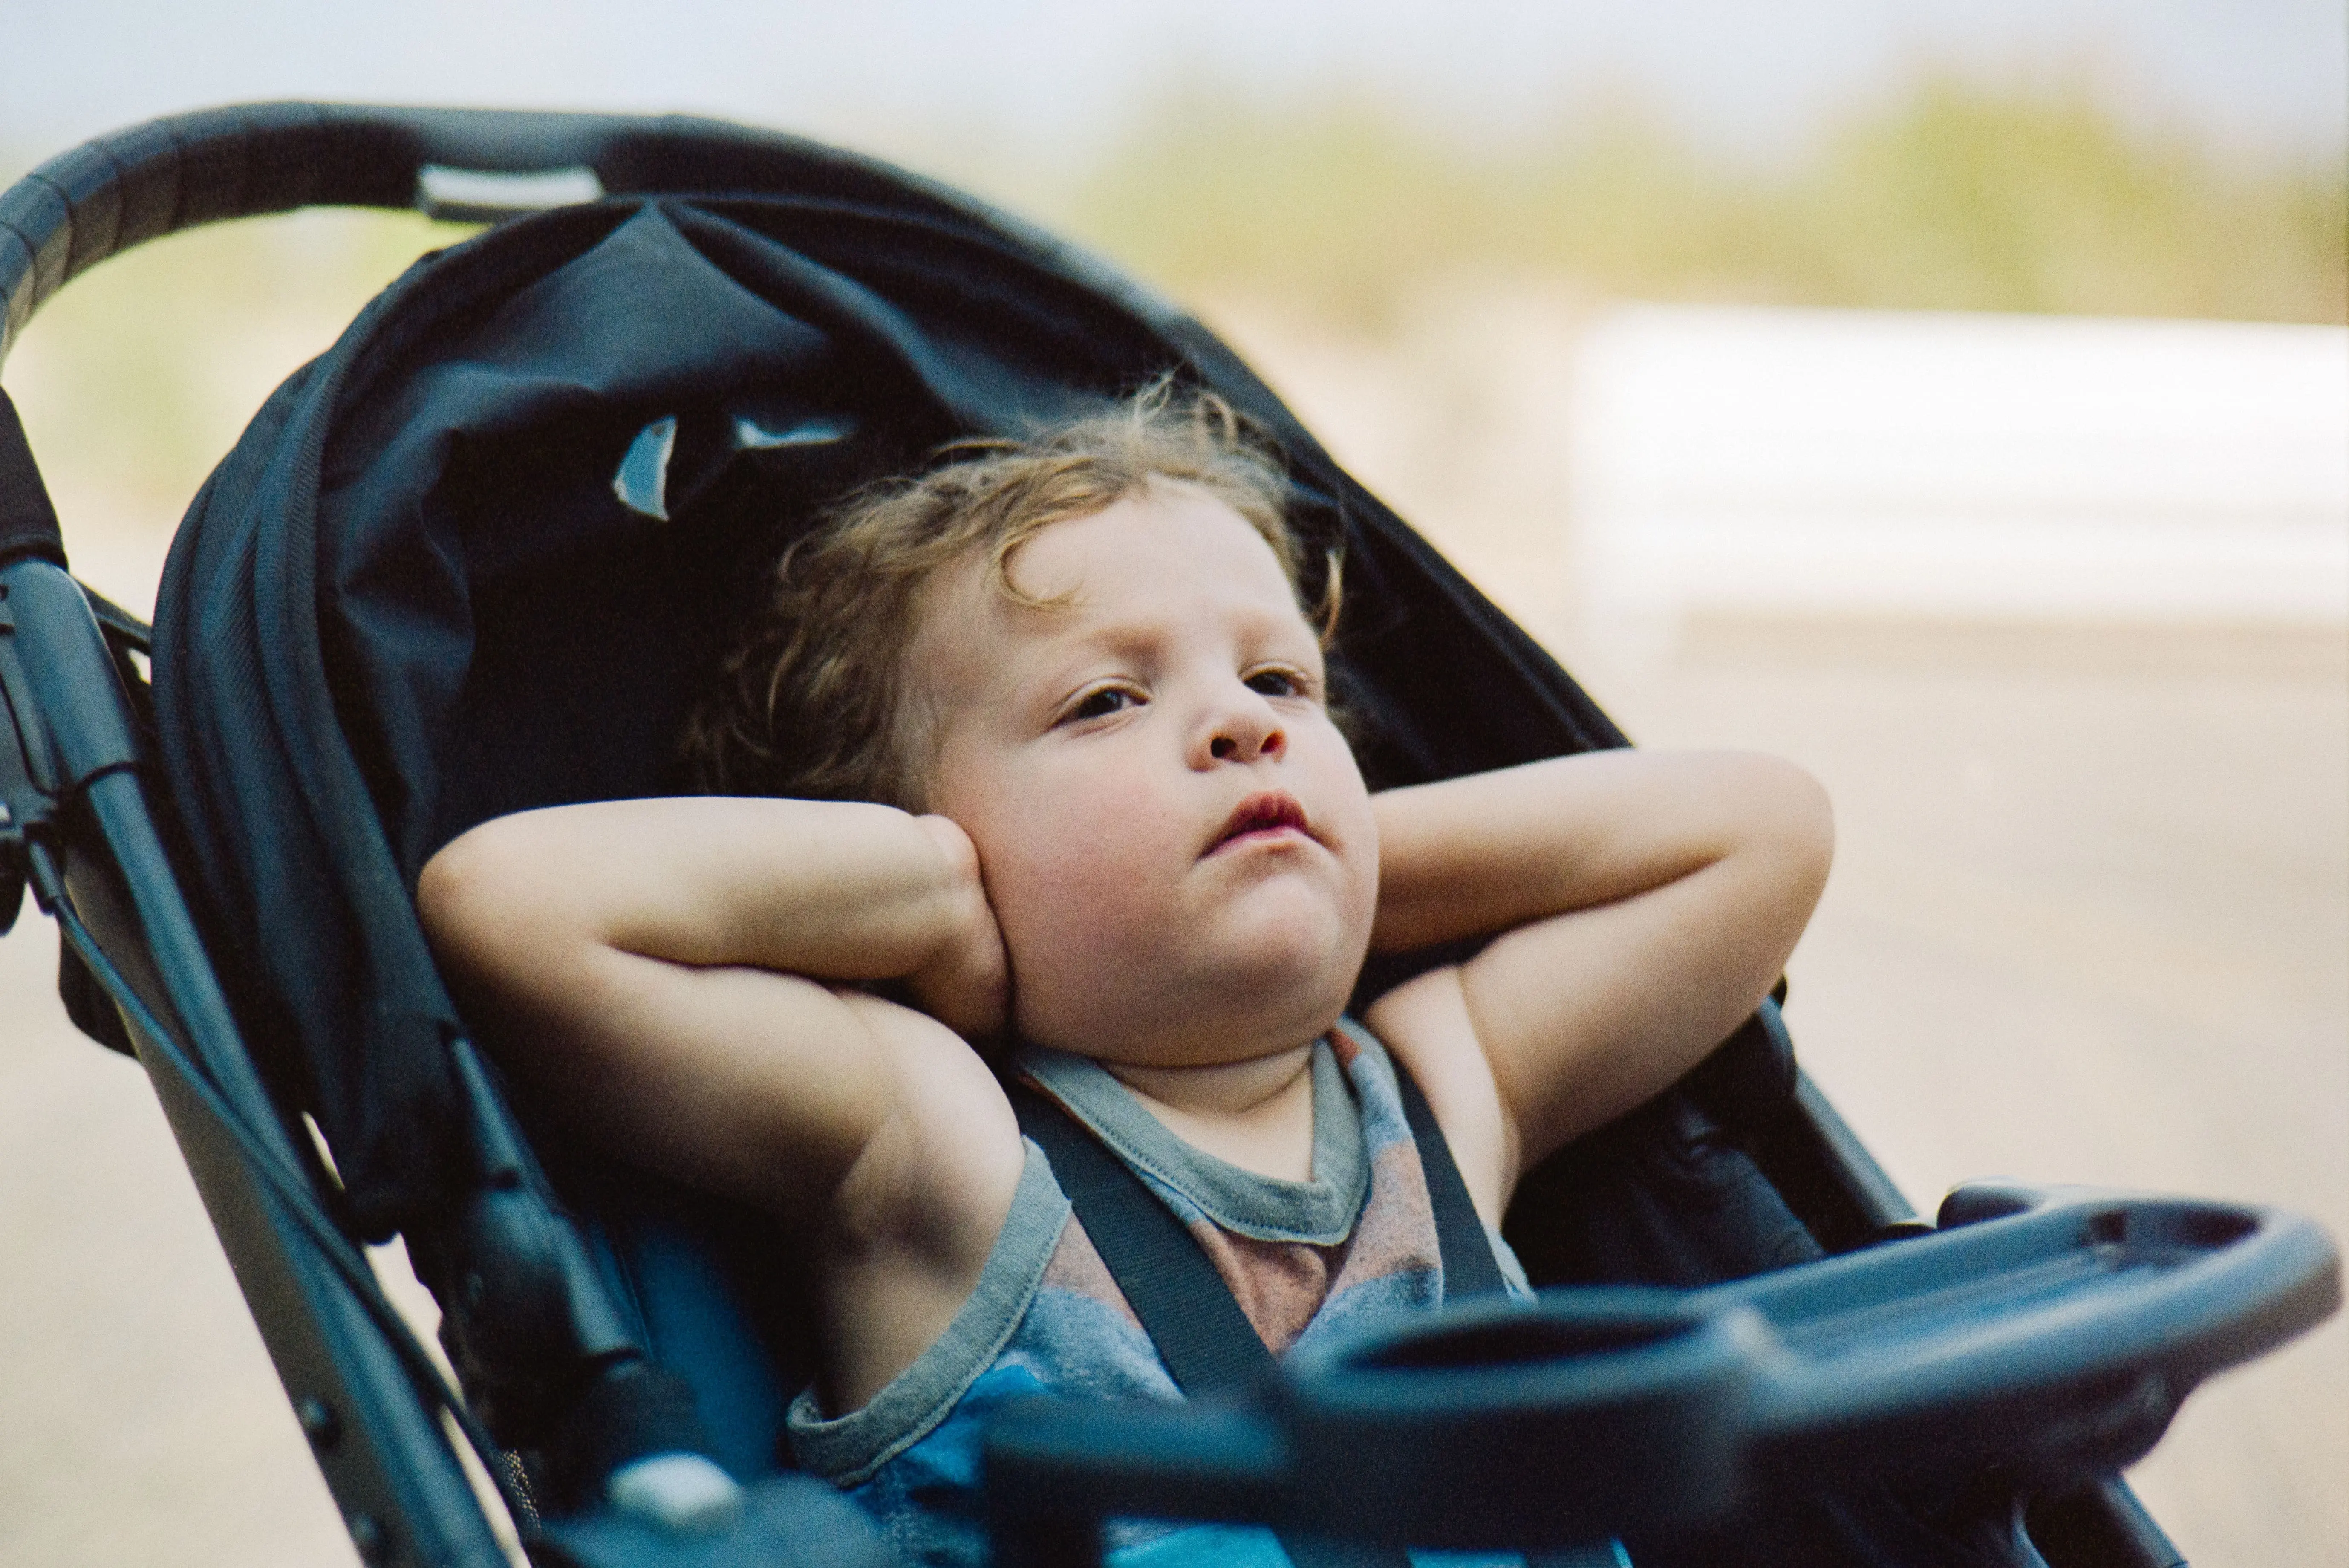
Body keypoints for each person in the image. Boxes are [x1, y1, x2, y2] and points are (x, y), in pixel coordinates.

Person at [417, 386, 1834, 1565]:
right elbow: (509, 908)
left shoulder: (1444, 1086)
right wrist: (940, 901)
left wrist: (1328, 851)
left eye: (1283, 685)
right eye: (1107, 700)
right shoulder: (935, 1141)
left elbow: (1768, 831)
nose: (1238, 724)